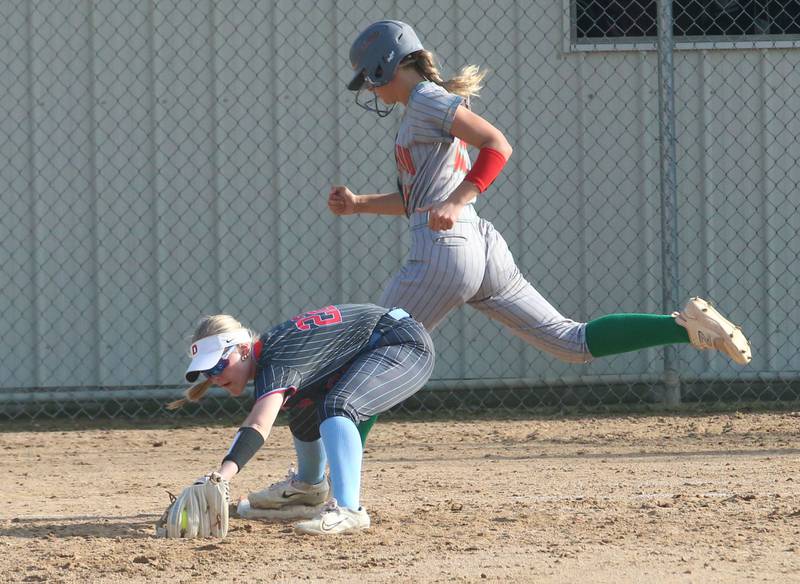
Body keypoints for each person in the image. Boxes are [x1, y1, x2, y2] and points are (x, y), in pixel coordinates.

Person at [329, 19, 751, 369]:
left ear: (385, 65)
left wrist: (457, 200)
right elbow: (419, 198)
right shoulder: (422, 108)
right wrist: (359, 204)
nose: (368, 88)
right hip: (477, 244)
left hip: (445, 247)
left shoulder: (424, 100)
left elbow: (497, 145)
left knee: (373, 353)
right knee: (571, 341)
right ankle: (683, 327)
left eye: (368, 77)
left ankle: (319, 473)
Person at [167, 302, 434, 535]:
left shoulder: (278, 360)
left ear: (243, 349)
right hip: (380, 345)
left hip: (403, 345)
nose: (214, 377)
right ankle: (310, 486)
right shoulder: (271, 356)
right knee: (301, 401)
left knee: (338, 406)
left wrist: (221, 477)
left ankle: (349, 509)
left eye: (219, 365)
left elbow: (259, 423)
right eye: (206, 372)